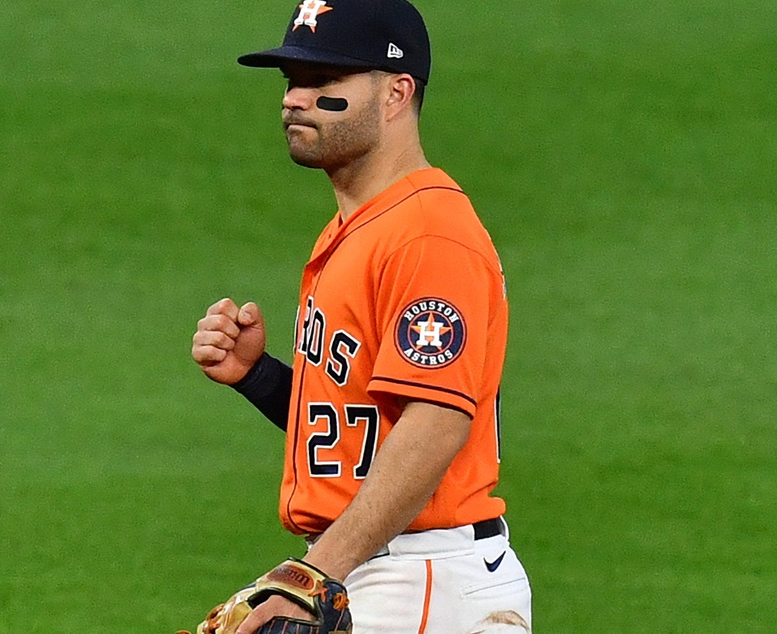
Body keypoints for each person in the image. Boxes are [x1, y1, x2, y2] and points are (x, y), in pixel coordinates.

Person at [191, 1, 532, 632]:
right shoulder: (358, 227)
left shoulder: (428, 234)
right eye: (293, 81)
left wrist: (314, 575)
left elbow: (434, 423)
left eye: (325, 83)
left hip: (424, 578)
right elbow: (363, 428)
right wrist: (258, 377)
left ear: (397, 92)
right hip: (384, 566)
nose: (297, 99)